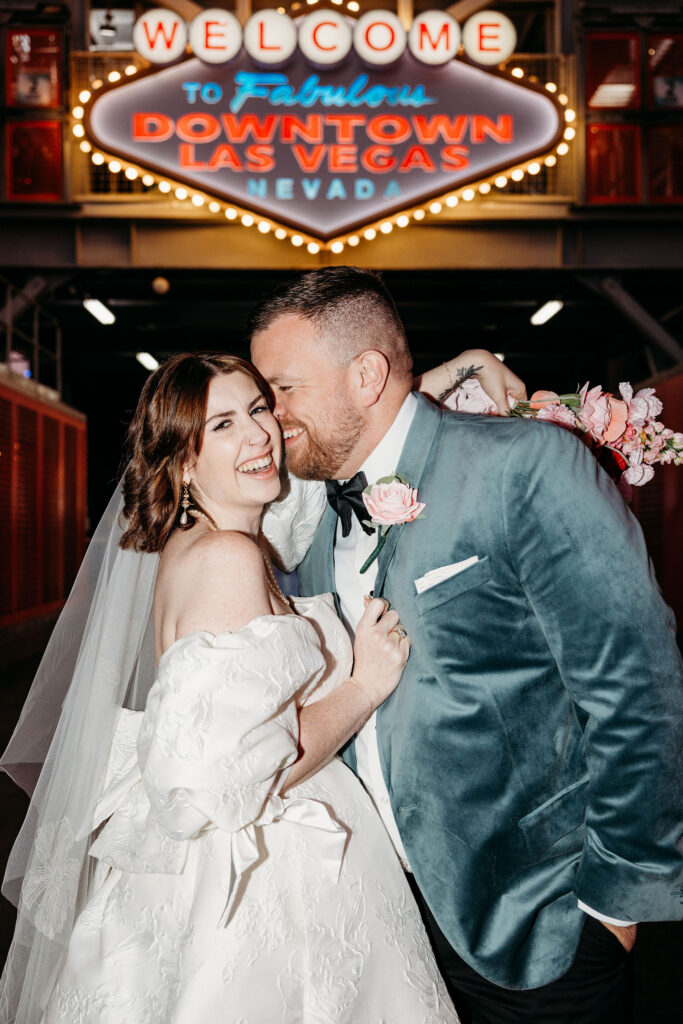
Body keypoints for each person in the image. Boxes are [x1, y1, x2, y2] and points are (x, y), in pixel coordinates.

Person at [0, 346, 520, 1023]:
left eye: (257, 410)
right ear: (182, 461)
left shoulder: (219, 533)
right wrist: (365, 683)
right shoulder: (228, 557)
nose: (256, 435)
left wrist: (461, 369)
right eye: (222, 426)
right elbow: (232, 780)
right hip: (265, 879)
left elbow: (349, 424)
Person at [249, 266, 683, 1024]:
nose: (268, 416)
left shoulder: (522, 466)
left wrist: (614, 907)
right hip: (374, 928)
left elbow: (636, 685)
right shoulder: (309, 515)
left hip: (536, 924)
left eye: (284, 389)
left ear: (365, 375)